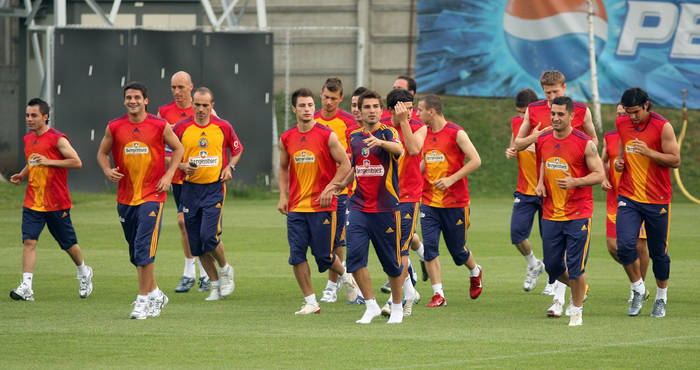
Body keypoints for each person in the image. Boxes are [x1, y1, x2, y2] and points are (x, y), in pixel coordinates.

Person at [97, 82, 184, 319]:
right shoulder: (114, 127)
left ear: (146, 100)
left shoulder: (159, 125)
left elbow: (178, 149)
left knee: (144, 248)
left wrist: (168, 176)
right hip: (125, 197)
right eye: (128, 97)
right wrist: (107, 171)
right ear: (124, 100)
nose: (132, 101)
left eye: (137, 97)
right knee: (136, 253)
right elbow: (102, 153)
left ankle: (142, 300)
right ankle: (156, 292)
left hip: (153, 195)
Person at [513, 69, 598, 296]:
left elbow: (594, 140)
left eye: (555, 91)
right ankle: (574, 289)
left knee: (570, 253)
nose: (551, 96)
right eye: (547, 92)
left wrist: (580, 156)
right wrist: (538, 136)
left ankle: (562, 298)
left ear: (564, 88)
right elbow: (518, 143)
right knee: (550, 252)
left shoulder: (580, 110)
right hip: (547, 189)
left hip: (575, 190)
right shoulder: (534, 110)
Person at [277, 88, 359, 314]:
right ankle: (311, 301)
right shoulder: (287, 138)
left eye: (310, 105)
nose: (307, 109)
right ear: (294, 109)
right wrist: (282, 195)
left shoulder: (327, 135)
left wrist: (331, 188)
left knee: (323, 255)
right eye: (302, 106)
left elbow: (345, 164)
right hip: (296, 207)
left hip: (322, 207)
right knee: (296, 255)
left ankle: (346, 276)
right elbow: (283, 168)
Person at [9, 98, 93, 302]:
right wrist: (22, 174)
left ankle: (84, 272)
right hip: (33, 201)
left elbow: (76, 162)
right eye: (27, 115)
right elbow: (34, 161)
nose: (29, 119)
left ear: (45, 117)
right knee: (29, 241)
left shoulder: (58, 139)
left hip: (56, 202)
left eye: (34, 115)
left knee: (68, 244)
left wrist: (49, 161)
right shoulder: (28, 139)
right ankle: (27, 286)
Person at [534, 96, 604, 326]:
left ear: (572, 116)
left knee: (575, 266)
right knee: (553, 266)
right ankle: (579, 289)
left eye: (561, 114)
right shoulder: (543, 139)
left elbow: (599, 174)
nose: (555, 118)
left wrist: (575, 182)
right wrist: (541, 182)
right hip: (551, 212)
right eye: (553, 113)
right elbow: (545, 161)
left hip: (578, 213)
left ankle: (576, 311)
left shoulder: (585, 142)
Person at [614, 88, 680, 318]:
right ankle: (638, 289)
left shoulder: (663, 126)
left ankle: (661, 298)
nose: (632, 117)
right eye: (628, 112)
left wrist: (650, 152)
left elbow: (675, 159)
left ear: (646, 105)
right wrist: (620, 162)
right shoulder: (622, 123)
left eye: (636, 112)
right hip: (628, 196)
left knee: (658, 253)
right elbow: (623, 148)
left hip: (657, 199)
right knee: (623, 246)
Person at [173, 87, 242, 301]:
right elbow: (166, 154)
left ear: (212, 106)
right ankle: (214, 285)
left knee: (208, 236)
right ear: (192, 104)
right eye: (197, 104)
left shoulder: (223, 126)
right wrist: (182, 165)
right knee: (195, 244)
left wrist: (229, 166)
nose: (201, 109)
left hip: (214, 189)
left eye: (205, 105)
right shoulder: (181, 128)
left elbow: (237, 149)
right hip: (189, 190)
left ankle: (225, 269)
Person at [343, 89, 405, 324]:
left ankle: (397, 307)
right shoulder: (354, 137)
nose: (371, 111)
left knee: (392, 262)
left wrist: (380, 142)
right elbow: (356, 167)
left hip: (386, 208)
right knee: (355, 258)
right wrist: (337, 185)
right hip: (358, 206)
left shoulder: (389, 132)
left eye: (375, 107)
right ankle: (370, 306)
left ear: (381, 110)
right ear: (359, 110)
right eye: (366, 107)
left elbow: (400, 150)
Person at [417, 94, 484, 308]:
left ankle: (475, 271)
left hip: (455, 203)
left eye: (420, 110)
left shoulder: (457, 133)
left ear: (432, 111)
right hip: (428, 202)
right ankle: (439, 294)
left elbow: (476, 160)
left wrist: (452, 179)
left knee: (458, 252)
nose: (417, 114)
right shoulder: (423, 133)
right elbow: (422, 163)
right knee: (429, 248)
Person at [158, 71, 210, 294]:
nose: (177, 92)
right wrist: (177, 167)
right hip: (180, 179)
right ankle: (190, 272)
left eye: (181, 87)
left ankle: (206, 273)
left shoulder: (202, 107)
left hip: (202, 179)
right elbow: (160, 148)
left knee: (201, 227)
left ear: (191, 87)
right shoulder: (163, 112)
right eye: (173, 88)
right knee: (184, 222)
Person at [379, 88, 426, 317]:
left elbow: (415, 149)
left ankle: (393, 300)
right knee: (389, 248)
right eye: (403, 109)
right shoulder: (382, 129)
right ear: (391, 110)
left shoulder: (418, 126)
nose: (409, 112)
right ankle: (409, 292)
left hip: (409, 196)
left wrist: (404, 122)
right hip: (385, 197)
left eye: (411, 108)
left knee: (401, 248)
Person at [601, 104, 649, 303]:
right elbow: (603, 160)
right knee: (614, 246)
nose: (621, 117)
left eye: (625, 114)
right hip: (615, 199)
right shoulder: (610, 136)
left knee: (638, 247)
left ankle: (639, 288)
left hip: (639, 198)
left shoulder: (644, 134)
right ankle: (637, 282)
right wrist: (604, 177)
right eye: (618, 114)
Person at [314, 77, 356, 303]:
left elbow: (352, 156)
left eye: (334, 98)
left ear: (341, 99)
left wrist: (340, 182)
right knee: (317, 241)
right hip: (313, 191)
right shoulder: (313, 120)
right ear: (320, 94)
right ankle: (344, 275)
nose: (329, 102)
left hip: (339, 192)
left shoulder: (348, 123)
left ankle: (331, 286)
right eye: (326, 97)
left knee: (336, 241)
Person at [505, 88, 545, 292]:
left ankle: (555, 281)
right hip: (524, 189)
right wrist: (512, 150)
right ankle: (533, 264)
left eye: (524, 112)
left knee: (550, 239)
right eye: (519, 112)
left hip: (547, 190)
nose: (522, 116)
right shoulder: (517, 123)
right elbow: (515, 144)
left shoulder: (547, 125)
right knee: (517, 235)